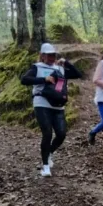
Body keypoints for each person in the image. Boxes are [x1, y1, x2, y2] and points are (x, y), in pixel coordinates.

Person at [21, 43, 82, 176]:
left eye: (53, 55)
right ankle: (45, 166)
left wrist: (66, 63)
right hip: (41, 103)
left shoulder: (60, 69)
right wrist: (44, 79)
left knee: (61, 134)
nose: (51, 58)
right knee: (47, 133)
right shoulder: (36, 67)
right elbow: (24, 80)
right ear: (42, 56)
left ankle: (49, 152)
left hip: (58, 105)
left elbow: (78, 74)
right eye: (48, 55)